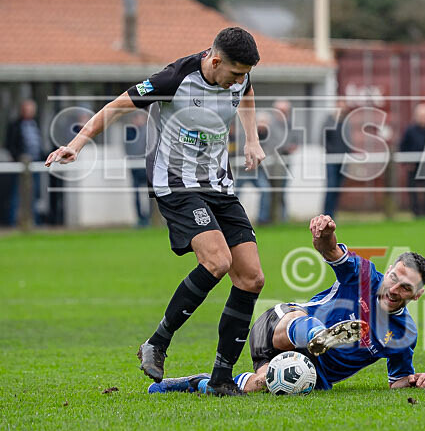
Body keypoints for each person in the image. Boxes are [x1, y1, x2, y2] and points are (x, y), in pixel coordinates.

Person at [46, 27, 267, 396]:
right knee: (217, 261)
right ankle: (157, 343)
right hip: (177, 183)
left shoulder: (240, 76)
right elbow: (118, 105)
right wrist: (77, 143)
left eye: (245, 74)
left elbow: (247, 93)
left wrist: (252, 140)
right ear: (215, 61)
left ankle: (222, 379)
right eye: (235, 74)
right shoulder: (175, 78)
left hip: (219, 186)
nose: (239, 81)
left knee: (252, 278)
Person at [149, 214, 425, 394]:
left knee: (256, 387)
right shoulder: (365, 274)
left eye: (405, 287)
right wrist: (325, 232)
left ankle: (196, 383)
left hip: (308, 369)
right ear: (390, 268)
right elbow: (330, 250)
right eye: (394, 277)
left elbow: (397, 380)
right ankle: (319, 336)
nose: (393, 288)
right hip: (279, 325)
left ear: (416, 295)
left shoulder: (404, 335)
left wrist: (414, 380)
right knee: (304, 322)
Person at [5, 99, 45, 226]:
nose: (30, 112)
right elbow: (10, 145)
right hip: (20, 166)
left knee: (34, 195)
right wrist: (19, 158)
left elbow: (39, 144)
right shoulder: (15, 125)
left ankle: (35, 222)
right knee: (16, 195)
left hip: (36, 165)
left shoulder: (35, 124)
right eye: (27, 109)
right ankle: (11, 223)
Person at [323, 99, 350, 217]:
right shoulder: (329, 121)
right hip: (331, 160)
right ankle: (327, 215)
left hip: (343, 160)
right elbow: (323, 138)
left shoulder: (346, 122)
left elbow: (349, 141)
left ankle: (333, 214)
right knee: (331, 187)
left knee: (337, 188)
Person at [124, 110, 150, 227]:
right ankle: (141, 219)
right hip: (135, 168)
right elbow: (128, 148)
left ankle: (149, 218)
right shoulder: (130, 132)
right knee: (136, 194)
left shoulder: (148, 131)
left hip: (146, 167)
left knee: (150, 194)